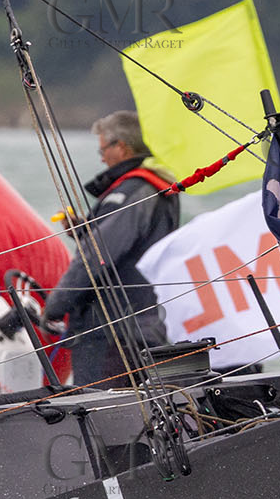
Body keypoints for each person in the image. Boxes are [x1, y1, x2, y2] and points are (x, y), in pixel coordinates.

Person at [42, 111, 179, 388]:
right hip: (145, 326)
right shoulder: (153, 186)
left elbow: (95, 257)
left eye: (103, 149)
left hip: (111, 335)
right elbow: (131, 243)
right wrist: (85, 229)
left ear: (121, 147)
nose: (102, 157)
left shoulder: (130, 192)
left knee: (104, 418)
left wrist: (55, 306)